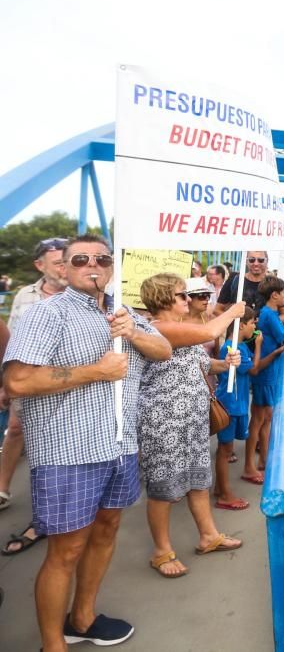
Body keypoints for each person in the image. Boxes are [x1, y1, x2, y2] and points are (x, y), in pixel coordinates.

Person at [3, 234, 171, 648]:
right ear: (63, 266)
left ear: (112, 265)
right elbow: (18, 380)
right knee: (66, 549)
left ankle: (82, 617)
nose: (92, 265)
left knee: (106, 530)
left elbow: (164, 349)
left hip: (119, 445)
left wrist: (133, 333)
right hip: (68, 452)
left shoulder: (122, 312)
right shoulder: (48, 314)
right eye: (80, 259)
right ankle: (52, 644)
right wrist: (95, 370)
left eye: (102, 258)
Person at [137, 273, 246, 579]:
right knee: (164, 486)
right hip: (165, 419)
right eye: (183, 295)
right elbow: (210, 330)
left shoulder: (183, 328)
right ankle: (161, 551)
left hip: (191, 417)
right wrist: (232, 312)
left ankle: (208, 535)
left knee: (198, 479)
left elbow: (199, 362)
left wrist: (226, 364)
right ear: (164, 300)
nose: (189, 299)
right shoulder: (156, 328)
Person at [1, 237, 69, 557]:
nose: (65, 267)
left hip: (69, 387)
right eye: (58, 262)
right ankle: (12, 496)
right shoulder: (25, 296)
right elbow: (12, 343)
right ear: (39, 265)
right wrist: (7, 384)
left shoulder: (84, 295)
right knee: (18, 433)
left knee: (58, 451)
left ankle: (52, 517)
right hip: (29, 384)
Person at [215, 308, 284, 509]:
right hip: (230, 404)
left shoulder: (238, 346)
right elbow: (254, 369)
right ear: (243, 324)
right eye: (252, 323)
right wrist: (258, 346)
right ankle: (225, 494)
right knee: (225, 450)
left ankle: (220, 488)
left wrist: (274, 352)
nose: (255, 327)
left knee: (226, 449)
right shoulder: (234, 348)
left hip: (235, 404)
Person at [242, 276, 284, 485]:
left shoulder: (269, 314)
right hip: (265, 374)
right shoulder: (269, 315)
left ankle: (264, 460)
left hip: (269, 372)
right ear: (274, 295)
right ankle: (250, 466)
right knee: (258, 420)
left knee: (266, 418)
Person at [184, 277, 219, 359]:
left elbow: (216, 354)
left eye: (208, 295)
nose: (207, 299)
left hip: (208, 370)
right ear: (188, 298)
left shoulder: (211, 320)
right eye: (202, 296)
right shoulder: (176, 320)